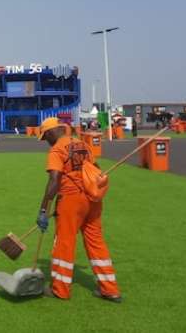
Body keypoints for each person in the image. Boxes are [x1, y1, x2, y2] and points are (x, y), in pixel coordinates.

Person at [35, 117, 122, 303]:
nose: (46, 141)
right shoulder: (83, 144)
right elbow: (96, 169)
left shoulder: (56, 149)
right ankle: (110, 289)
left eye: (45, 137)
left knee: (64, 243)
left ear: (51, 132)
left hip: (71, 201)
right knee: (96, 242)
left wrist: (43, 210)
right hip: (93, 199)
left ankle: (60, 290)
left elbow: (54, 180)